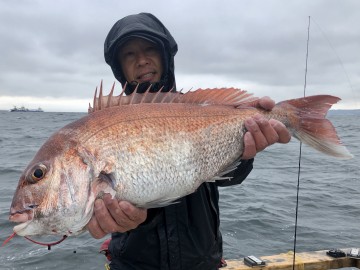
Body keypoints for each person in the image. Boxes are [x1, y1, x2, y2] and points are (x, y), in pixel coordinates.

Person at [87, 13, 291, 270]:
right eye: (129, 55)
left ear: (165, 55)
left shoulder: (198, 109)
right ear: (119, 67)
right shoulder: (104, 124)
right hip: (134, 264)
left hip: (202, 261)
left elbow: (228, 177)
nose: (141, 60)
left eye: (150, 48)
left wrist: (246, 153)